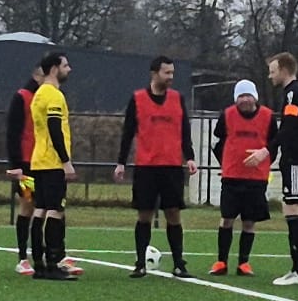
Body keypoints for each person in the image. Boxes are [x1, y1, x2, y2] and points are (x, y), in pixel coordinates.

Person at [114, 55, 197, 278]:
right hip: (146, 167)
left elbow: (184, 131)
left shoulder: (177, 99)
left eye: (172, 73)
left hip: (171, 167)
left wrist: (189, 157)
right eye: (166, 73)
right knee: (144, 215)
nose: (170, 77)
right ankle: (140, 263)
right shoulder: (138, 99)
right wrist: (121, 162)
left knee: (173, 214)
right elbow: (128, 132)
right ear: (154, 73)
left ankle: (179, 264)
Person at [210, 79, 278, 277]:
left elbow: (274, 144)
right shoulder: (227, 115)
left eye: (248, 95)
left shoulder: (267, 116)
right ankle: (221, 261)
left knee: (249, 221)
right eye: (241, 96)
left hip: (256, 179)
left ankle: (243, 263)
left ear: (255, 97)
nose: (245, 100)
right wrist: (227, 161)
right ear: (236, 98)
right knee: (227, 219)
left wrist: (263, 161)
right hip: (232, 176)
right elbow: (217, 141)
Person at [28, 51, 80, 281]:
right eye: (65, 66)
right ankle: (52, 263)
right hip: (52, 161)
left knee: (40, 209)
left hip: (39, 160)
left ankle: (39, 264)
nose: (69, 69)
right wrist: (65, 161)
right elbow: (54, 128)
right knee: (55, 210)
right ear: (54, 69)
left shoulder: (38, 94)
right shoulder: (54, 95)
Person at [267, 52, 298, 286]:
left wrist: (268, 150)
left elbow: (290, 127)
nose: (270, 76)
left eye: (273, 71)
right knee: (290, 207)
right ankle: (297, 269)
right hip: (296, 157)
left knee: (294, 207)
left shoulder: (293, 94)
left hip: (297, 158)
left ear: (284, 70)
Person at [4, 62, 45, 276]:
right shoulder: (22, 97)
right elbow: (13, 133)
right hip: (26, 164)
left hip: (45, 163)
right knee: (27, 205)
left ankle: (47, 254)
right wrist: (16, 165)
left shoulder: (49, 98)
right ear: (37, 75)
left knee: (46, 207)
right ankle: (22, 257)